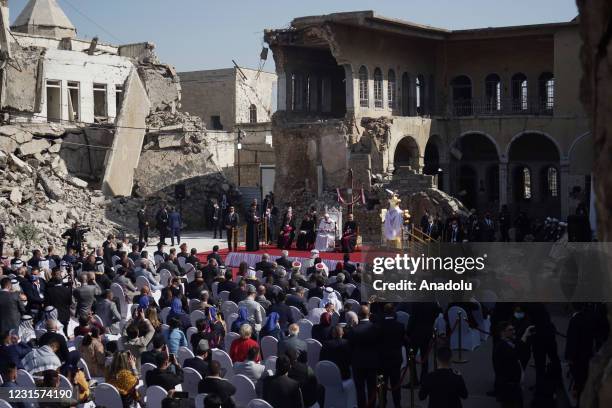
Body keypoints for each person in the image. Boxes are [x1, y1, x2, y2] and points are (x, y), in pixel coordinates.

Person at [493, 321, 534, 408]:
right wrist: (525, 335)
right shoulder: (501, 346)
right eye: (510, 330)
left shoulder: (509, 342)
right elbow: (515, 353)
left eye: (513, 329)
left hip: (513, 385)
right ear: (502, 332)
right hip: (508, 387)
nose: (513, 331)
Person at [346, 305, 380, 408]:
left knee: (360, 390)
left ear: (358, 316)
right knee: (372, 388)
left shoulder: (353, 330)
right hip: (372, 363)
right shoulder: (375, 328)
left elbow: (350, 348)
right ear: (369, 315)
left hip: (358, 363)